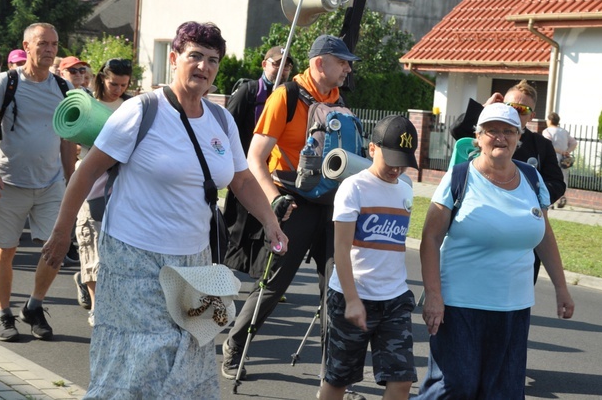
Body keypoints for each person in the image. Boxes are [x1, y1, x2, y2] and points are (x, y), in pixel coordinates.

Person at [40, 21, 288, 398]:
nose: (203, 67)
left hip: (196, 259)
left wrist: (270, 222)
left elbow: (241, 181)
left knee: (191, 354)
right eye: (195, 57)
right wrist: (60, 233)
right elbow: (87, 171)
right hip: (134, 258)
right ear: (174, 58)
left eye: (212, 60)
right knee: (140, 358)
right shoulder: (142, 111)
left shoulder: (221, 120)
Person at [221, 34, 359, 381]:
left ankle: (334, 376)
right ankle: (235, 345)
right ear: (319, 63)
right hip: (293, 201)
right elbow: (255, 157)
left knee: (337, 289)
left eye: (347, 63)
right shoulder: (286, 96)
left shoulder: (338, 100)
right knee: (274, 284)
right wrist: (273, 198)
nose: (347, 68)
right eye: (342, 62)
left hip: (332, 205)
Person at [417, 103, 575, 399]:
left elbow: (544, 236)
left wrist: (561, 288)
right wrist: (434, 295)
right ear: (478, 137)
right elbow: (430, 238)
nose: (500, 137)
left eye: (508, 131)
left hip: (513, 308)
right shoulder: (459, 178)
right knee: (453, 388)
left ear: (518, 136)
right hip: (460, 306)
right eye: (492, 131)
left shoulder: (531, 178)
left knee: (502, 392)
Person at [0, 23, 76, 342]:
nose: (49, 50)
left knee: (55, 250)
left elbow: (67, 140)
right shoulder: (6, 82)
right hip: (7, 182)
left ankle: (34, 305)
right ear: (27, 46)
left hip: (50, 185)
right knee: (5, 249)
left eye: (54, 45)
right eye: (43, 43)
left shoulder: (63, 89)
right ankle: (4, 314)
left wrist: (72, 181)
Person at [319, 115, 419, 400]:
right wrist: (352, 300)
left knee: (401, 380)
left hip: (395, 298)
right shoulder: (354, 188)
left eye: (403, 161)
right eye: (391, 160)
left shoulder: (405, 188)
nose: (396, 168)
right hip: (352, 295)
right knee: (339, 379)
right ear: (372, 149)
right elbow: (341, 249)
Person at [450, 80, 566, 281]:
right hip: (484, 225)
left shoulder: (541, 145)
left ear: (532, 115)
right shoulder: (487, 135)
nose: (514, 112)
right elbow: (457, 131)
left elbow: (557, 183)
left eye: (522, 109)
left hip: (522, 231)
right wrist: (484, 110)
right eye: (509, 106)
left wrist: (530, 194)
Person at [223, 46, 294, 277]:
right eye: (277, 64)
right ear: (264, 64)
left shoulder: (290, 97)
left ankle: (263, 277)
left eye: (288, 66)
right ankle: (225, 274)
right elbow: (226, 127)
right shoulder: (249, 92)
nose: (283, 70)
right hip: (243, 172)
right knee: (238, 226)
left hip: (272, 175)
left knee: (267, 226)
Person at [72, 58, 133, 326]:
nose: (118, 89)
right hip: (91, 182)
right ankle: (97, 309)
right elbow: (69, 137)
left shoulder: (133, 106)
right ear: (102, 78)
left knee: (116, 247)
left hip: (123, 185)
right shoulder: (89, 103)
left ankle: (88, 282)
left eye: (123, 84)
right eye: (113, 83)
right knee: (91, 244)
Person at [543, 111, 577, 208]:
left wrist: (560, 151)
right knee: (563, 178)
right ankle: (562, 196)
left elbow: (548, 144)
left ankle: (551, 201)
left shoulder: (547, 131)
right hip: (564, 160)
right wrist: (567, 151)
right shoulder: (564, 132)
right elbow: (574, 143)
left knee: (550, 178)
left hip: (552, 158)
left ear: (549, 120)